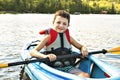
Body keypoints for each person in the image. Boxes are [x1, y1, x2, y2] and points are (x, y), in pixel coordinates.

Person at [30, 10, 90, 78]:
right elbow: (33, 52)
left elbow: (81, 46)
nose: (61, 26)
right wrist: (44, 56)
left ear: (68, 25)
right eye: (58, 22)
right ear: (53, 23)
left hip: (69, 68)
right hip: (52, 69)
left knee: (86, 76)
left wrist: (84, 49)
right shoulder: (48, 38)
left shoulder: (69, 38)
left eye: (64, 24)